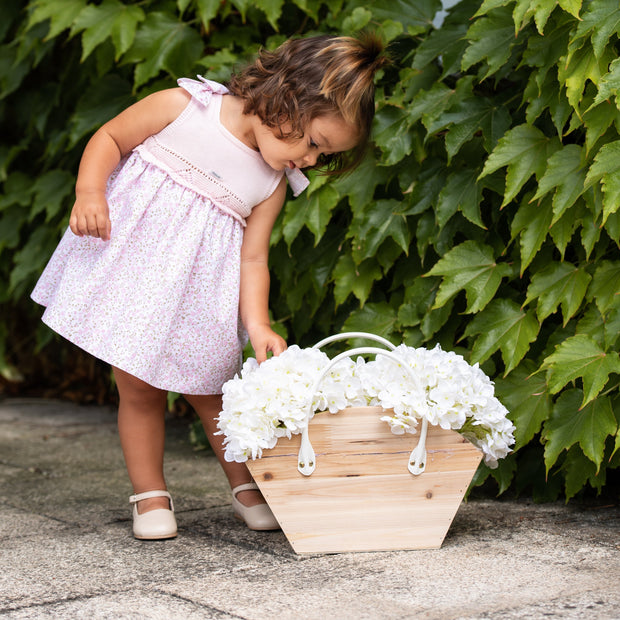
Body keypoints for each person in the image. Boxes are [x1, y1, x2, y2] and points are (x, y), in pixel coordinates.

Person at [31, 33, 387, 540]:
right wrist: (90, 190)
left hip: (201, 297)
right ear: (288, 96)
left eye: (321, 156)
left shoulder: (270, 183)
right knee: (138, 388)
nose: (309, 161)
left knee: (215, 392)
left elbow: (254, 257)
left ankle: (246, 486)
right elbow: (110, 138)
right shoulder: (185, 108)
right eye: (313, 143)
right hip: (137, 275)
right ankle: (150, 494)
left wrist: (258, 324)